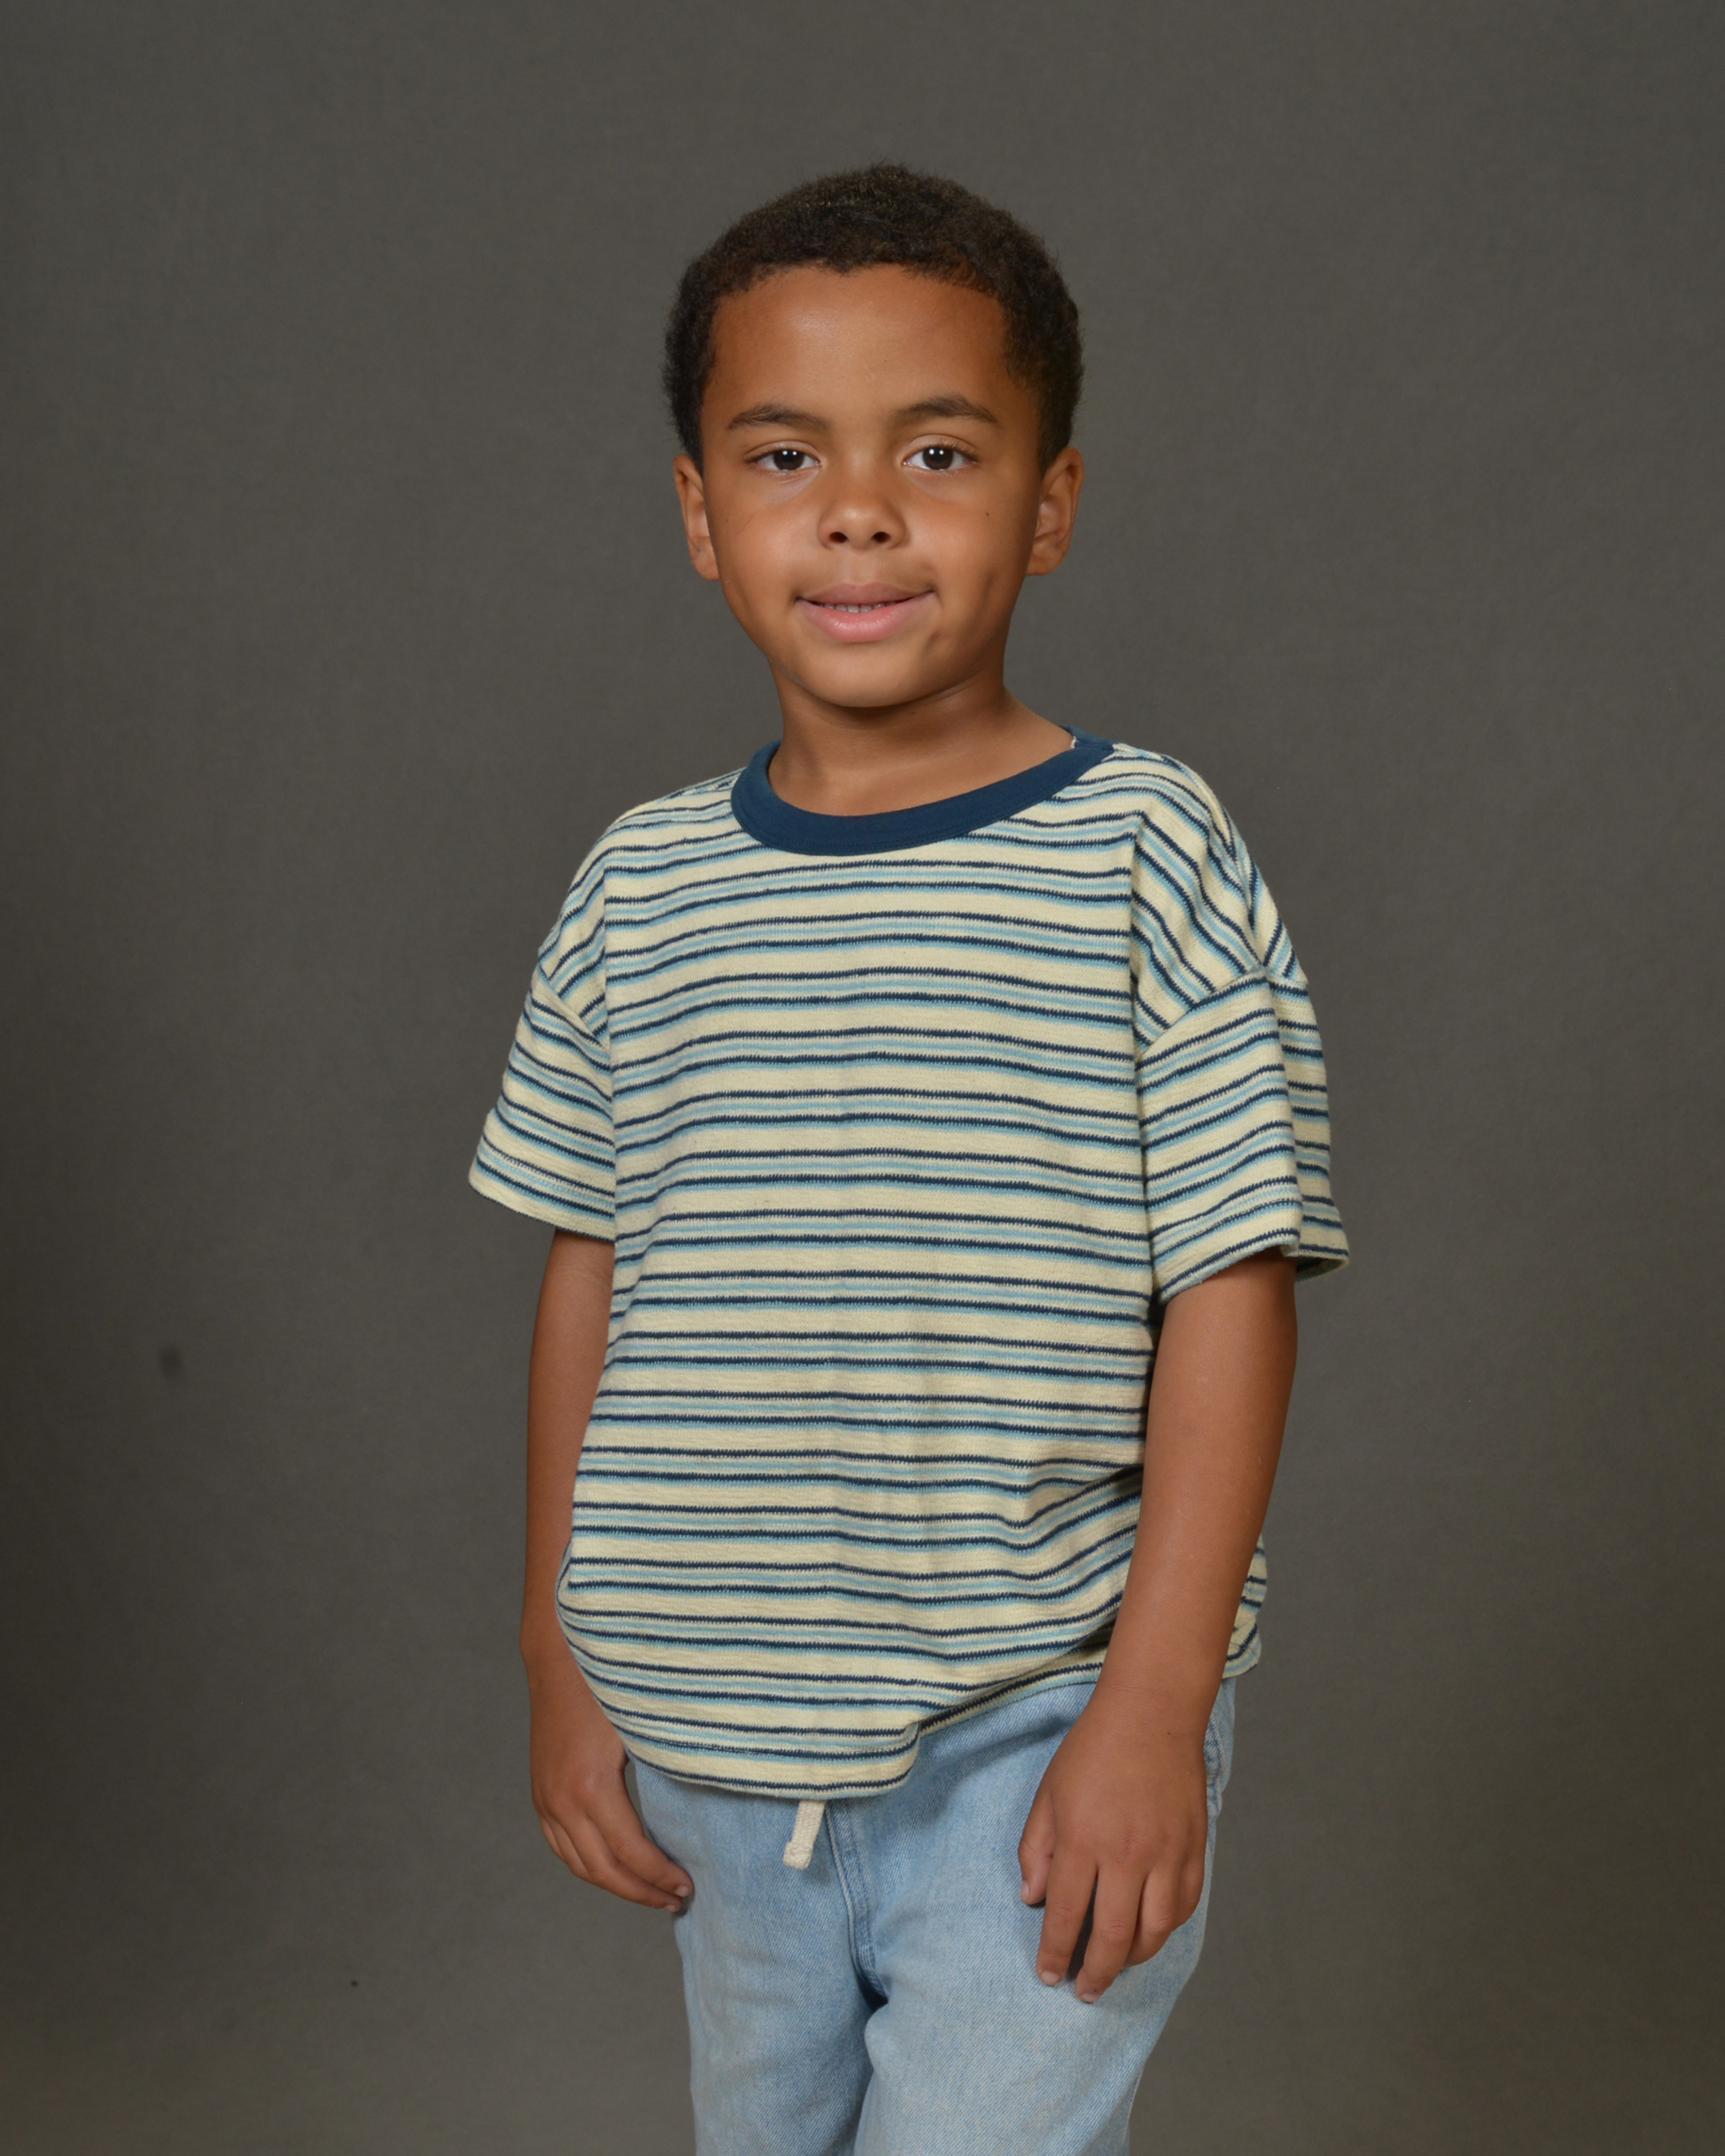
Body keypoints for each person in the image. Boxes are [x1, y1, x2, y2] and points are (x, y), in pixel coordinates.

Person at [471, 163, 1348, 2156]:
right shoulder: (639, 890)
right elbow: (592, 1270)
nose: (859, 510)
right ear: (701, 512)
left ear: (1050, 502)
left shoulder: (1146, 856)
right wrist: (556, 1644)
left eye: (938, 452)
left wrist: (1154, 1705)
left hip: (1038, 1727)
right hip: (714, 1739)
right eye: (786, 454)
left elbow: (1230, 1284)